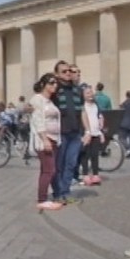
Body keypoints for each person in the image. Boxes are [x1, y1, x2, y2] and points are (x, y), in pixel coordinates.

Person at [51, 60, 84, 205]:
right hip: (60, 133)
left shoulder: (77, 90)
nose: (68, 73)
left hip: (75, 132)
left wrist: (87, 131)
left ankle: (66, 192)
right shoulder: (54, 91)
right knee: (59, 165)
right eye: (64, 71)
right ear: (57, 74)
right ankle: (58, 192)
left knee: (71, 164)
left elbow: (82, 112)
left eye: (70, 71)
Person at [30, 73, 63, 211]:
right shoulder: (38, 99)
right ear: (43, 84)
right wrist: (45, 139)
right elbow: (38, 120)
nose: (54, 85)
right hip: (45, 139)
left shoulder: (51, 101)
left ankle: (46, 196)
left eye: (56, 83)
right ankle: (42, 199)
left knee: (47, 169)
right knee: (49, 170)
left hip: (54, 138)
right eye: (51, 83)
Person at [79, 86, 104, 185]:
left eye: (91, 93)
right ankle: (85, 175)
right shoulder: (83, 106)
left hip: (96, 132)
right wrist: (86, 132)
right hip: (86, 133)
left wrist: (101, 123)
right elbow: (83, 119)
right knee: (85, 155)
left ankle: (95, 174)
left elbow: (99, 115)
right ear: (83, 95)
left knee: (95, 155)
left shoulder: (95, 105)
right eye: (88, 93)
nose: (90, 95)